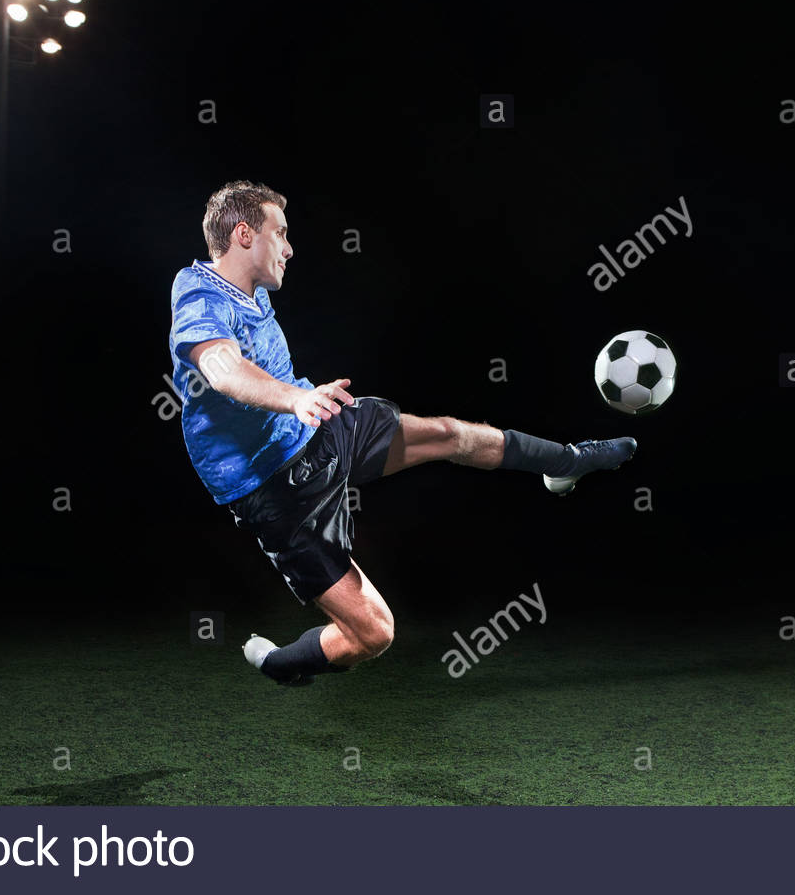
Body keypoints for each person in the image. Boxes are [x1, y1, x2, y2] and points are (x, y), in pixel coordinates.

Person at [168, 180, 636, 685]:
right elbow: (222, 368)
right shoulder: (198, 292)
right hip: (273, 488)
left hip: (319, 430)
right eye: (279, 233)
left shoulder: (252, 291)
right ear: (243, 234)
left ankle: (566, 462)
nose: (289, 247)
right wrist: (295, 398)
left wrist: (304, 403)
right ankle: (285, 664)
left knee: (451, 434)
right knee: (373, 634)